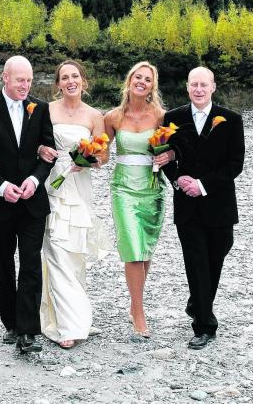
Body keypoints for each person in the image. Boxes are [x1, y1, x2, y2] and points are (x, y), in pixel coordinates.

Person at [0, 56, 56, 354]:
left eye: (29, 80)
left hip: (32, 201)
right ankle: (11, 323)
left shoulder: (40, 109)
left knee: (30, 263)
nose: (25, 86)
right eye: (20, 80)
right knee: (2, 264)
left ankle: (28, 331)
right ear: (5, 77)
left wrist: (35, 180)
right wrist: (1, 186)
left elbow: (48, 152)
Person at [159, 66, 244, 350]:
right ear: (187, 87)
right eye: (193, 84)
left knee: (217, 255)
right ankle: (204, 326)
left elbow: (235, 164)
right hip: (187, 204)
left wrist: (203, 184)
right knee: (196, 263)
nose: (198, 89)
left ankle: (198, 302)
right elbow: (162, 156)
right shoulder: (172, 119)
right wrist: (178, 178)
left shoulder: (232, 120)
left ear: (213, 87)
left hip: (219, 202)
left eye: (203, 85)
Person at [36, 60, 112, 349]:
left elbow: (103, 156)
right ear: (58, 84)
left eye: (75, 76)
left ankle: (78, 316)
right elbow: (37, 143)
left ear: (83, 81)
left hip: (79, 187)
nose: (70, 81)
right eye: (64, 77)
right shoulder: (48, 110)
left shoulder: (94, 116)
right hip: (53, 185)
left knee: (75, 252)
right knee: (55, 250)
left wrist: (90, 161)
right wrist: (40, 150)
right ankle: (66, 325)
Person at [104, 61, 167, 341]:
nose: (142, 82)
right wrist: (87, 158)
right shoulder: (114, 117)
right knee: (132, 246)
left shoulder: (161, 116)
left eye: (148, 79)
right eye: (138, 77)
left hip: (152, 186)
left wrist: (170, 156)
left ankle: (134, 303)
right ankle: (139, 311)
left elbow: (173, 150)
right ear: (129, 80)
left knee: (146, 249)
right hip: (123, 188)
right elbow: (103, 153)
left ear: (153, 86)